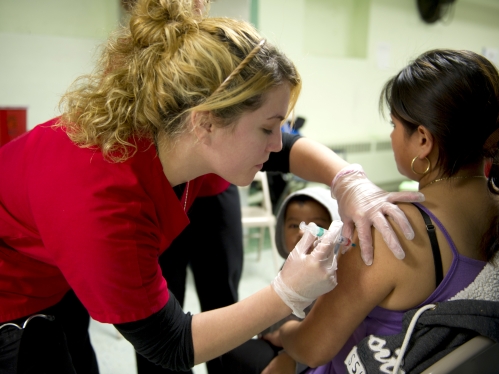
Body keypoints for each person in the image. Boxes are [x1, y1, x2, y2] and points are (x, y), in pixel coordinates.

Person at [0, 1, 424, 372]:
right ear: (205, 122)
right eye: (267, 128)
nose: (277, 144)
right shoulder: (106, 204)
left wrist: (347, 180)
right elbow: (169, 342)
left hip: (52, 260)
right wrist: (286, 294)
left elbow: (285, 149)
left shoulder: (175, 131)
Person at [275, 49, 499, 374]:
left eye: (394, 124)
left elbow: (312, 349)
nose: (392, 134)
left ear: (423, 139)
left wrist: (283, 334)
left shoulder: (391, 230)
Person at [218, 186, 341, 374]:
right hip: (280, 341)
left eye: (317, 226)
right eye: (294, 226)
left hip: (304, 355)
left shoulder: (332, 280)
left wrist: (291, 359)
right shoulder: (289, 266)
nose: (304, 233)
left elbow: (328, 338)